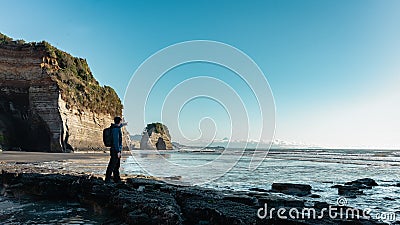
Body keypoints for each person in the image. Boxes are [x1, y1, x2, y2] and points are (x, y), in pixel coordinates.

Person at [105, 116, 125, 183]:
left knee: (116, 165)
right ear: (119, 121)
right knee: (112, 165)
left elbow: (120, 125)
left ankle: (117, 179)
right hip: (115, 150)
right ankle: (108, 179)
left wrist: (124, 124)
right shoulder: (116, 130)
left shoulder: (115, 127)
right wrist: (118, 151)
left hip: (114, 149)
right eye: (121, 121)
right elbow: (116, 141)